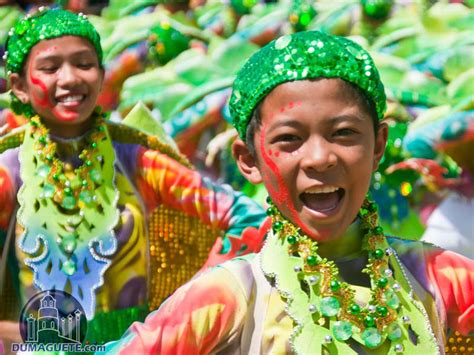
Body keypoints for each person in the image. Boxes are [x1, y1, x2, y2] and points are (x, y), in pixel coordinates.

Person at [102, 30, 474, 354]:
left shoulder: (436, 276)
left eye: (343, 132)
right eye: (289, 139)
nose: (319, 158)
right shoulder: (230, 295)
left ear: (378, 146)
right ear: (248, 160)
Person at [0, 7, 265, 346]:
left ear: (100, 75)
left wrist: (191, 303)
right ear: (20, 87)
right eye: (50, 68)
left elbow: (246, 216)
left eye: (83, 64)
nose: (69, 79)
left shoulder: (135, 160)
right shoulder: (11, 169)